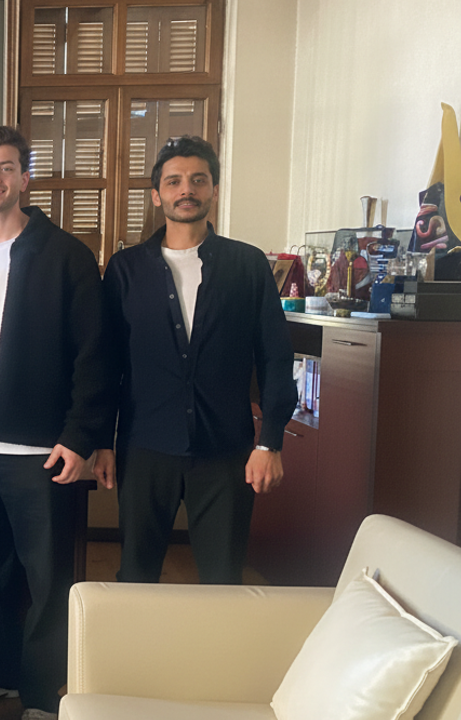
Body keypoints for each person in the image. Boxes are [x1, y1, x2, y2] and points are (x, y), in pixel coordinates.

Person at [0, 126, 113, 720]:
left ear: (24, 179)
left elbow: (95, 355)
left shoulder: (66, 256)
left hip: (42, 453)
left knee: (47, 581)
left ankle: (40, 692)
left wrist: (81, 436)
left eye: (6, 168)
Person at [101, 135, 296, 585]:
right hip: (144, 447)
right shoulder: (125, 269)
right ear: (157, 195)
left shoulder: (248, 265)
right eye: (174, 181)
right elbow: (107, 363)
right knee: (136, 576)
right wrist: (101, 440)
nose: (186, 189)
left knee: (223, 579)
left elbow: (275, 356)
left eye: (198, 180)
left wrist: (269, 443)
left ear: (214, 190)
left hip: (225, 450)